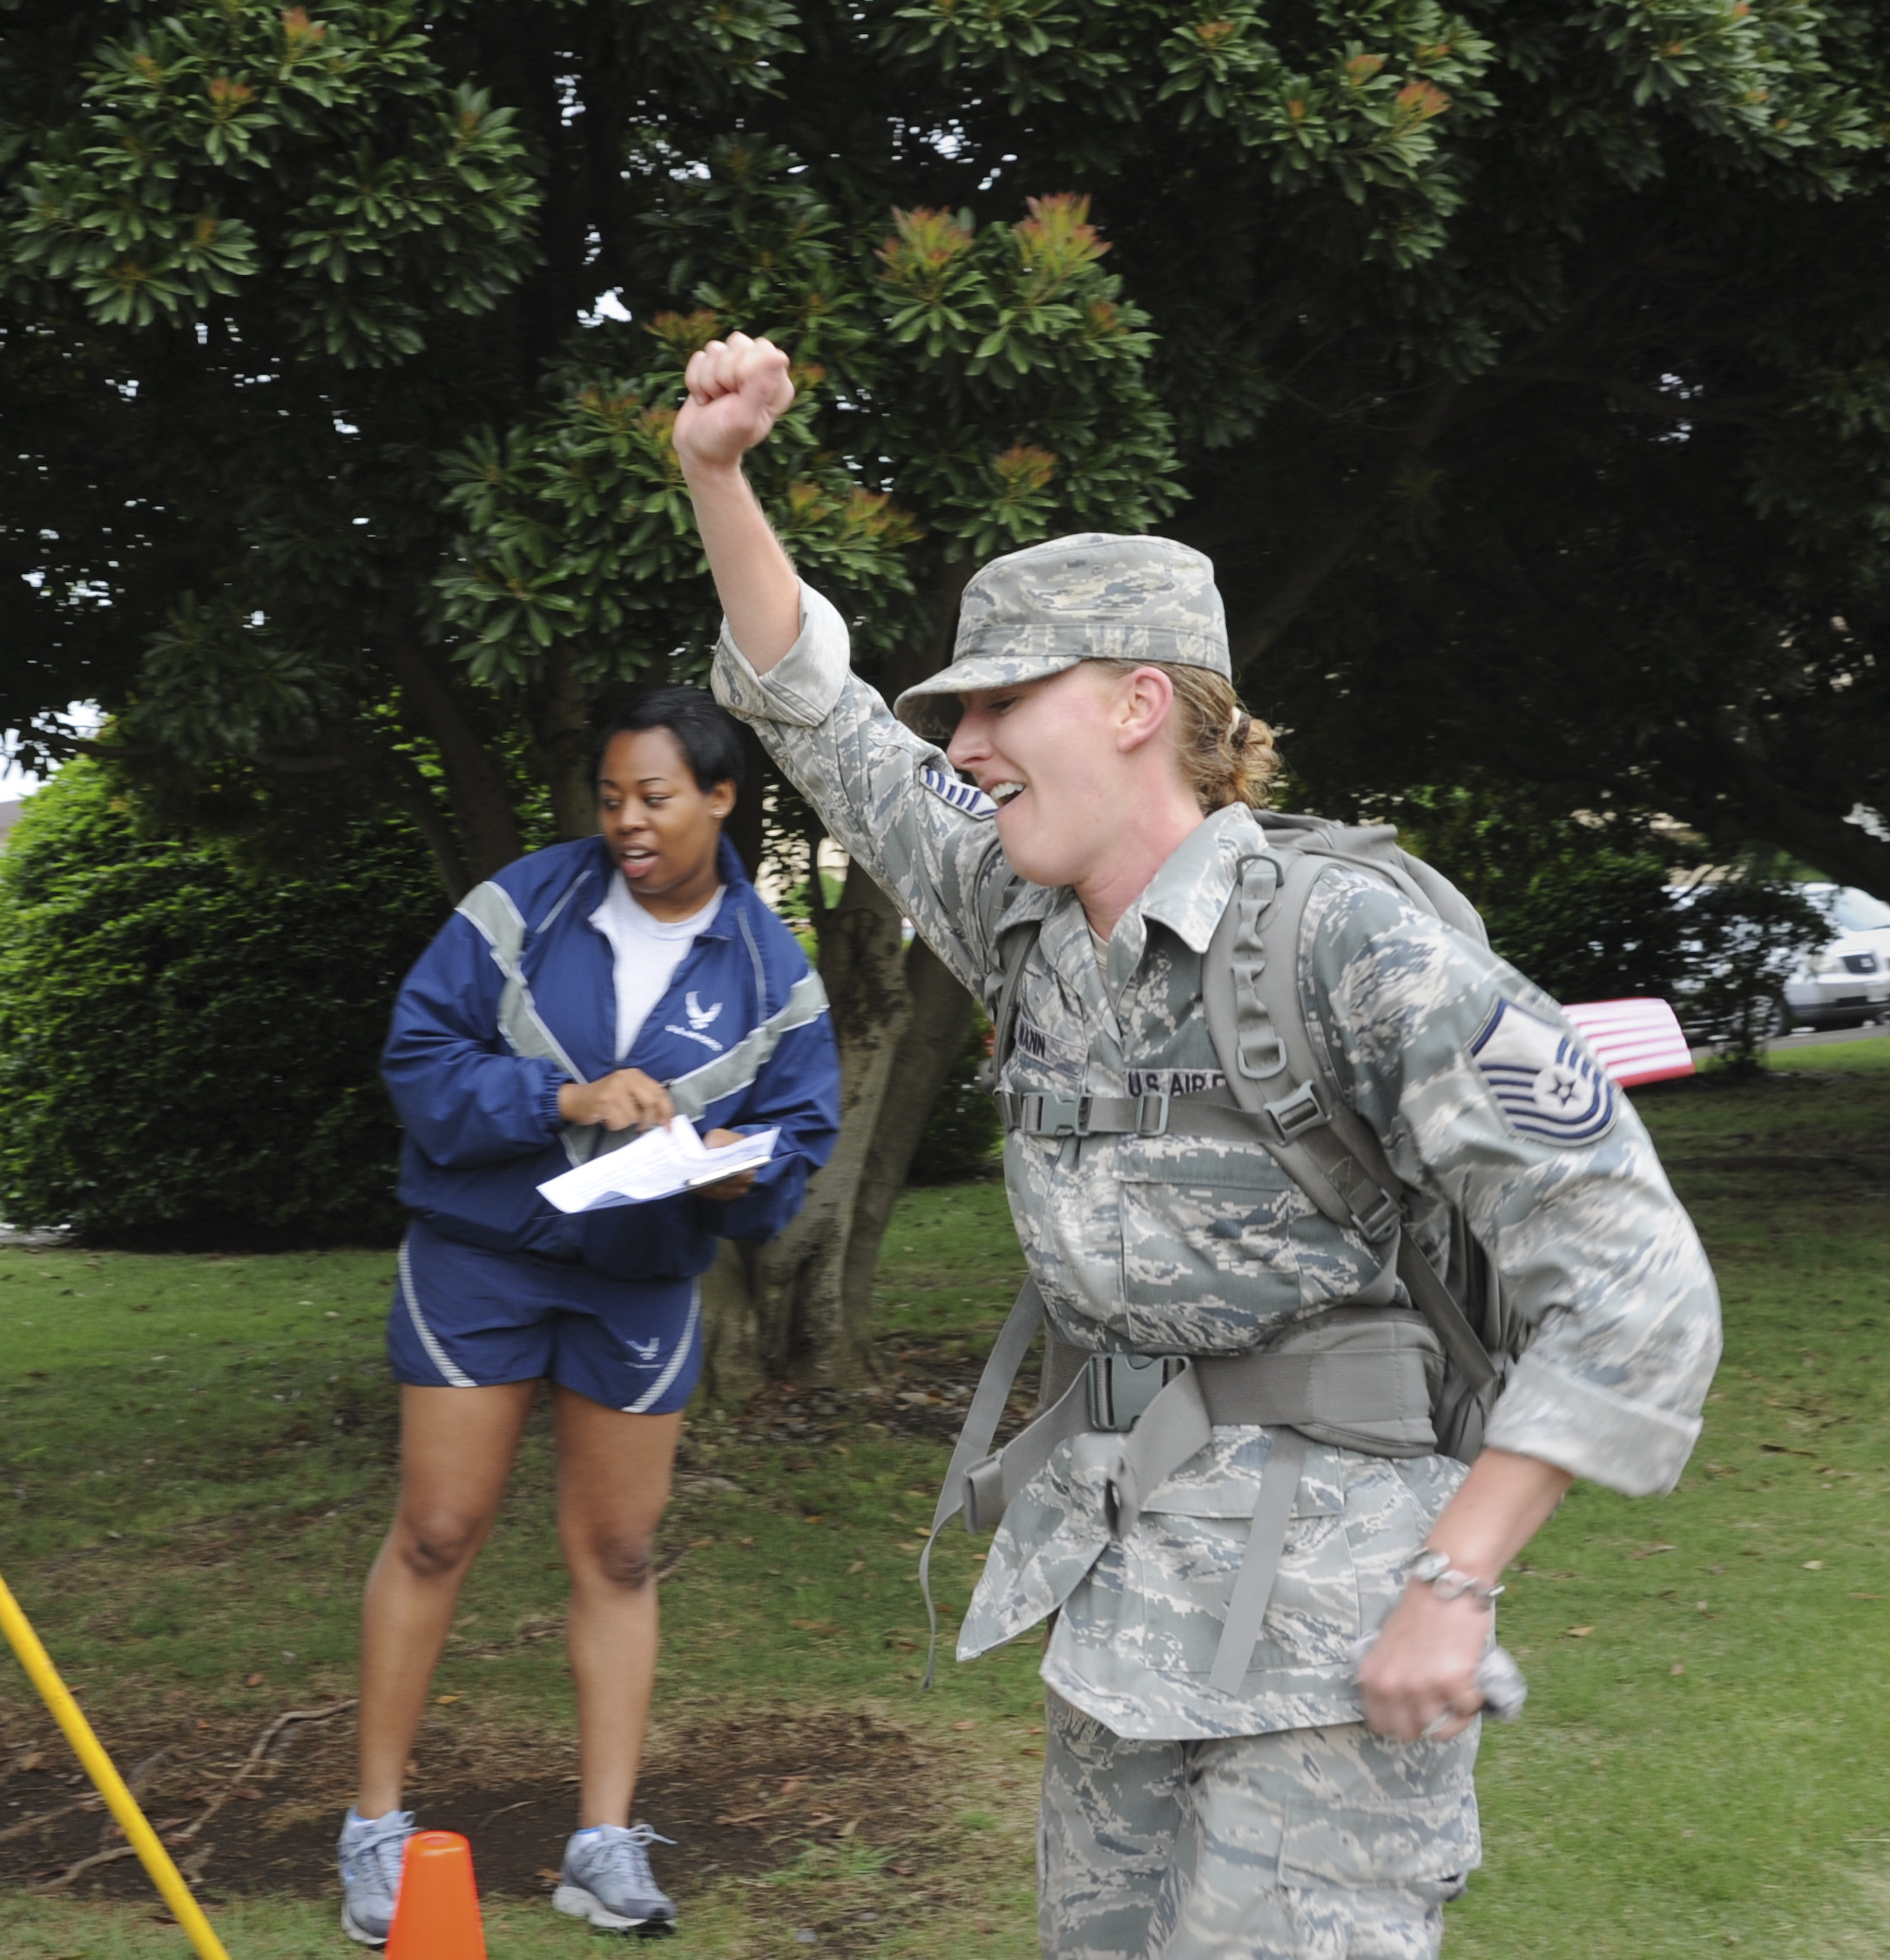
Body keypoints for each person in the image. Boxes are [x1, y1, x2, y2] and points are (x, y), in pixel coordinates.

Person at [672, 332, 1720, 1957]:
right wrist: (717, 478)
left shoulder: (1348, 946)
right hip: (1119, 1599)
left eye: (1005, 701)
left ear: (1140, 703)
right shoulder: (1020, 909)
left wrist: (1456, 1578)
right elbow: (826, 724)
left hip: (1337, 1637)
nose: (964, 743)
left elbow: (1636, 1280)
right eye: (964, 710)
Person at [341, 686, 841, 1946]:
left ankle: (600, 1846)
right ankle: (374, 1829)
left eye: (654, 797)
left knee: (617, 1555)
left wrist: (741, 1171)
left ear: (720, 799)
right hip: (482, 1262)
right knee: (437, 1529)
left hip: (636, 1279)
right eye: (610, 796)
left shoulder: (773, 969)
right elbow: (417, 1057)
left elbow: (798, 1140)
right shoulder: (521, 904)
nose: (625, 820)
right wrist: (562, 1094)